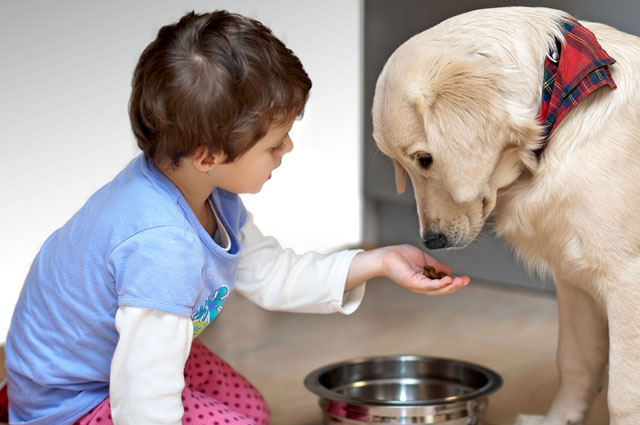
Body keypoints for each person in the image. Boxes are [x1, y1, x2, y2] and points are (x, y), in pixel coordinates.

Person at [3, 10, 470, 425]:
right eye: (274, 143)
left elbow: (271, 274)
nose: (287, 148)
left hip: (122, 356)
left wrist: (379, 261)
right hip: (68, 401)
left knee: (252, 410)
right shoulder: (161, 245)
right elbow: (143, 402)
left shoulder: (204, 191)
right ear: (208, 155)